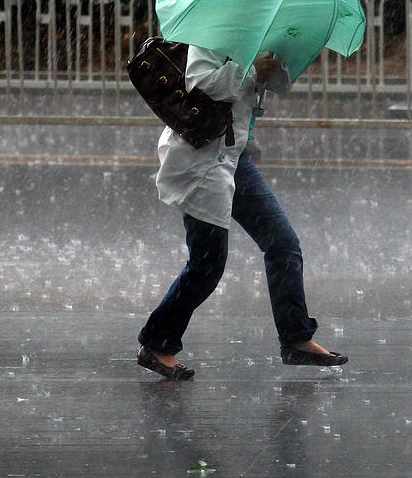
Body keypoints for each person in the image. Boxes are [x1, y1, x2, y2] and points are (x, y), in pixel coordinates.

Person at [137, 45, 348, 380]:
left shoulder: (257, 31)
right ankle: (156, 343)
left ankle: (296, 338)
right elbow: (199, 82)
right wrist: (250, 72)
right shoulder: (209, 32)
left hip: (236, 158)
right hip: (202, 158)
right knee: (207, 265)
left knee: (282, 243)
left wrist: (273, 62)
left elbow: (277, 85)